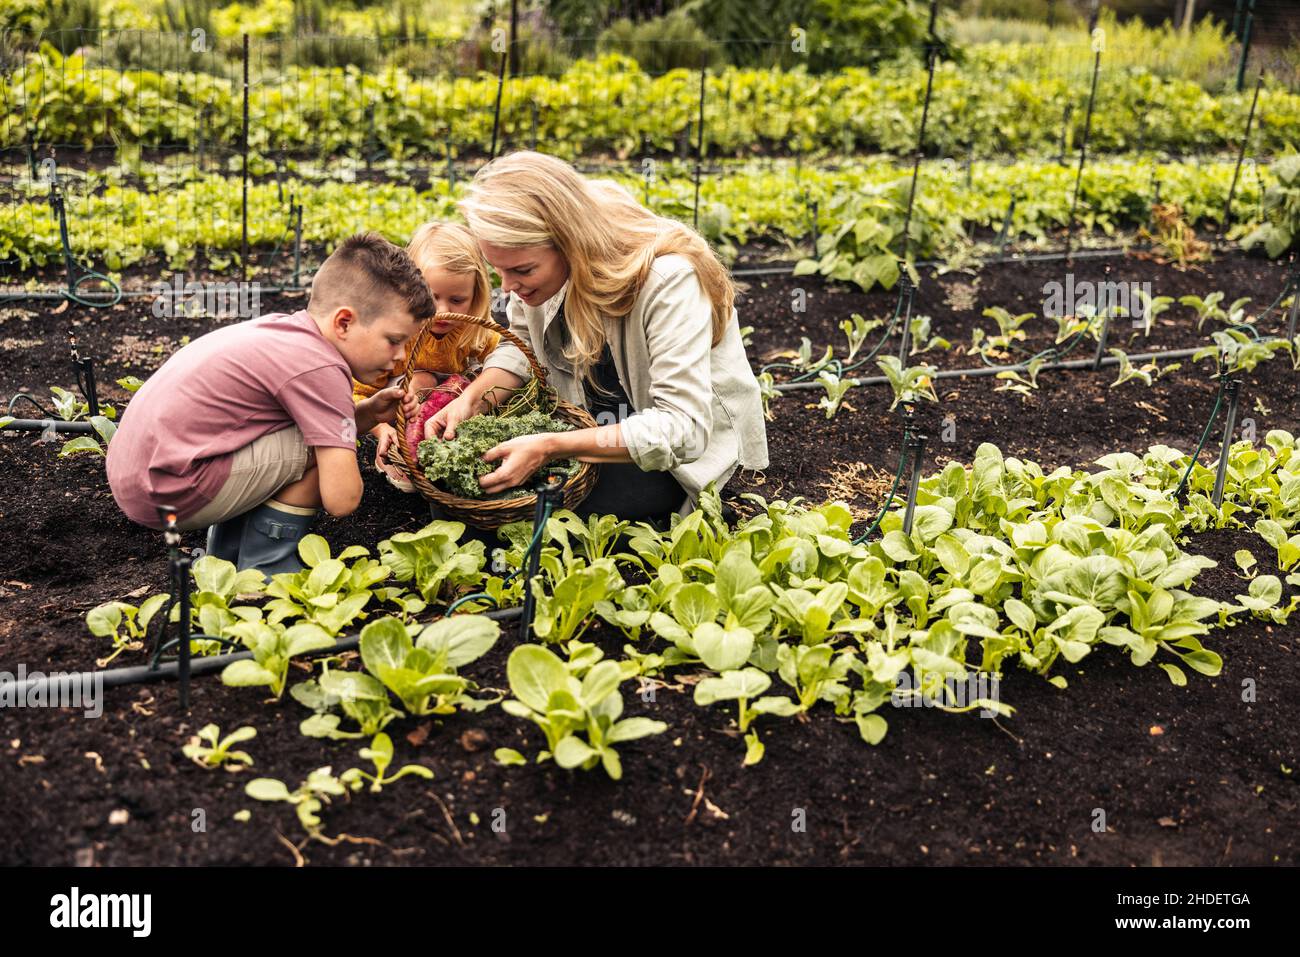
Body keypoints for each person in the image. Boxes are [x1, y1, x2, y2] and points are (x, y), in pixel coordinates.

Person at [426, 151, 769, 527]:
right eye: (499, 271)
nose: (506, 288)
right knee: (461, 500)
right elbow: (521, 344)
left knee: (530, 518)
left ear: (570, 244)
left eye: (522, 270)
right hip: (595, 423)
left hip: (668, 456)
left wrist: (550, 446)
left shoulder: (668, 281)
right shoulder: (544, 270)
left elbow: (682, 430)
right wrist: (471, 399)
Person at [106, 232, 435, 575]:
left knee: (303, 436)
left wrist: (368, 413)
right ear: (344, 322)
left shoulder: (285, 333)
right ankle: (268, 568)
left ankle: (227, 555)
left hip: (140, 475)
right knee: (319, 453)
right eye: (394, 341)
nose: (400, 357)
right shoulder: (324, 368)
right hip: (170, 491)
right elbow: (343, 499)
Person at [354, 222, 500, 492]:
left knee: (478, 379)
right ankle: (401, 450)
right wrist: (379, 429)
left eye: (457, 300)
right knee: (421, 378)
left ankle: (443, 450)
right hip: (399, 402)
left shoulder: (475, 328)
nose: (443, 311)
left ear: (475, 295)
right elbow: (358, 394)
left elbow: (504, 361)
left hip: (448, 403)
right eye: (432, 298)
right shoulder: (396, 335)